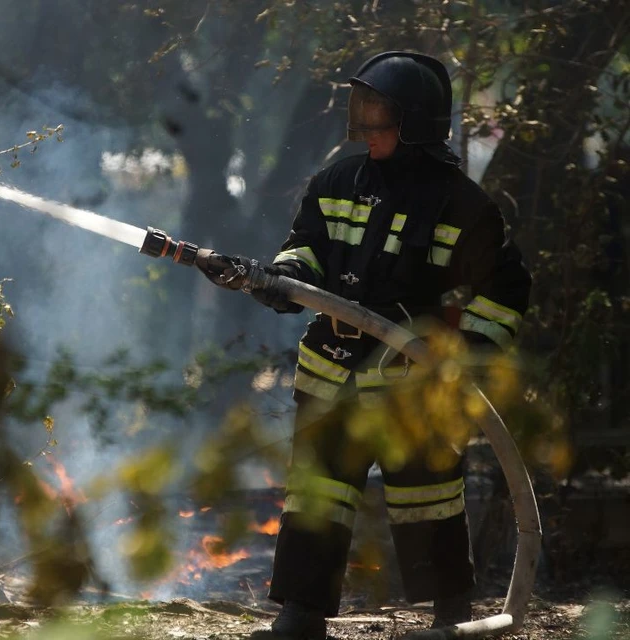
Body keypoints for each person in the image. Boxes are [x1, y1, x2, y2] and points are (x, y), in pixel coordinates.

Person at [197, 51, 532, 639]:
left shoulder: (465, 207)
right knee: (316, 496)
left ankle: (450, 613)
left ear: (417, 123)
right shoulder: (336, 182)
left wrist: (463, 353)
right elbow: (305, 249)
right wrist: (280, 282)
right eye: (363, 111)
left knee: (428, 500)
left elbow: (503, 293)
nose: (365, 126)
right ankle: (301, 614)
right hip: (332, 376)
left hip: (415, 391)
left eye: (379, 114)